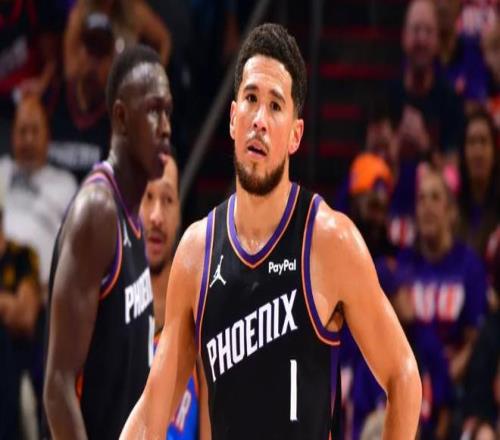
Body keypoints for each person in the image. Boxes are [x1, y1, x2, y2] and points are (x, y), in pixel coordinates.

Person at [121, 23, 421, 439]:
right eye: (250, 99)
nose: (259, 120)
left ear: (295, 135)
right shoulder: (195, 253)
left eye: (276, 105)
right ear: (232, 119)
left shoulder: (329, 241)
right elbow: (151, 414)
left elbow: (403, 375)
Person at [43, 44, 172, 440]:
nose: (166, 127)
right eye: (153, 110)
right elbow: (58, 387)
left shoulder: (132, 215)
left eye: (168, 112)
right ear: (121, 117)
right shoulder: (98, 213)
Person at [140, 156, 199, 440]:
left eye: (167, 200)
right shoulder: (105, 309)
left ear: (179, 216)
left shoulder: (198, 311)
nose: (157, 216)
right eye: (148, 197)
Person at [0, 96, 77, 290]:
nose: (28, 140)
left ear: (47, 135)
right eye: (22, 131)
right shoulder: (2, 171)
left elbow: (76, 250)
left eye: (35, 131)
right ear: (12, 135)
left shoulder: (66, 185)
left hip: (42, 290)